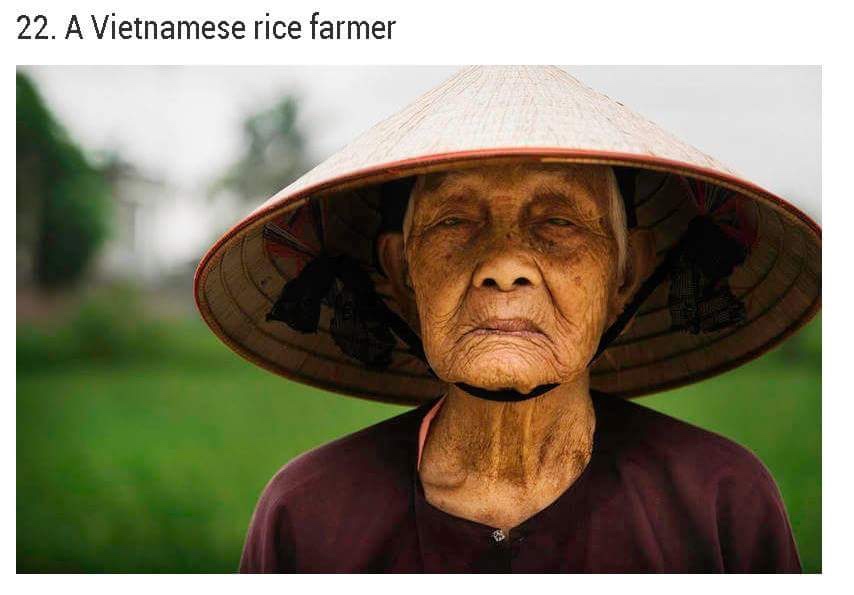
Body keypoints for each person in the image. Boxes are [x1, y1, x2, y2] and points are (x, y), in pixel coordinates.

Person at [194, 66, 821, 572]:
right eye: (455, 223)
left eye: (558, 223)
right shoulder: (308, 515)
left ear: (625, 274)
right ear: (402, 270)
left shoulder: (720, 502)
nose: (504, 266)